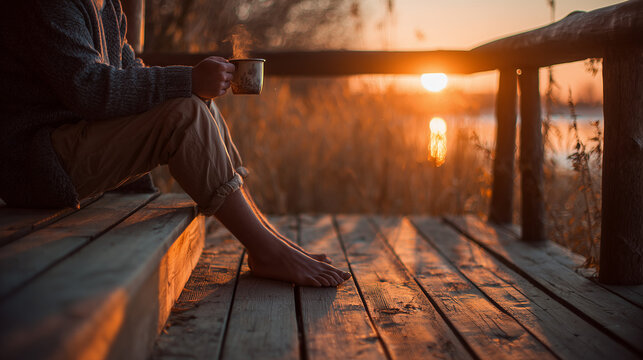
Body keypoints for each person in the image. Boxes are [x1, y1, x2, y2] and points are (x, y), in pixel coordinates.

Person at [0, 0, 350, 287]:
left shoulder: (106, 6)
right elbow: (89, 89)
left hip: (71, 146)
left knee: (197, 104)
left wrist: (194, 84)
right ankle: (267, 250)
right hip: (38, 160)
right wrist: (187, 79)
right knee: (185, 112)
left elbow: (128, 71)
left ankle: (268, 242)